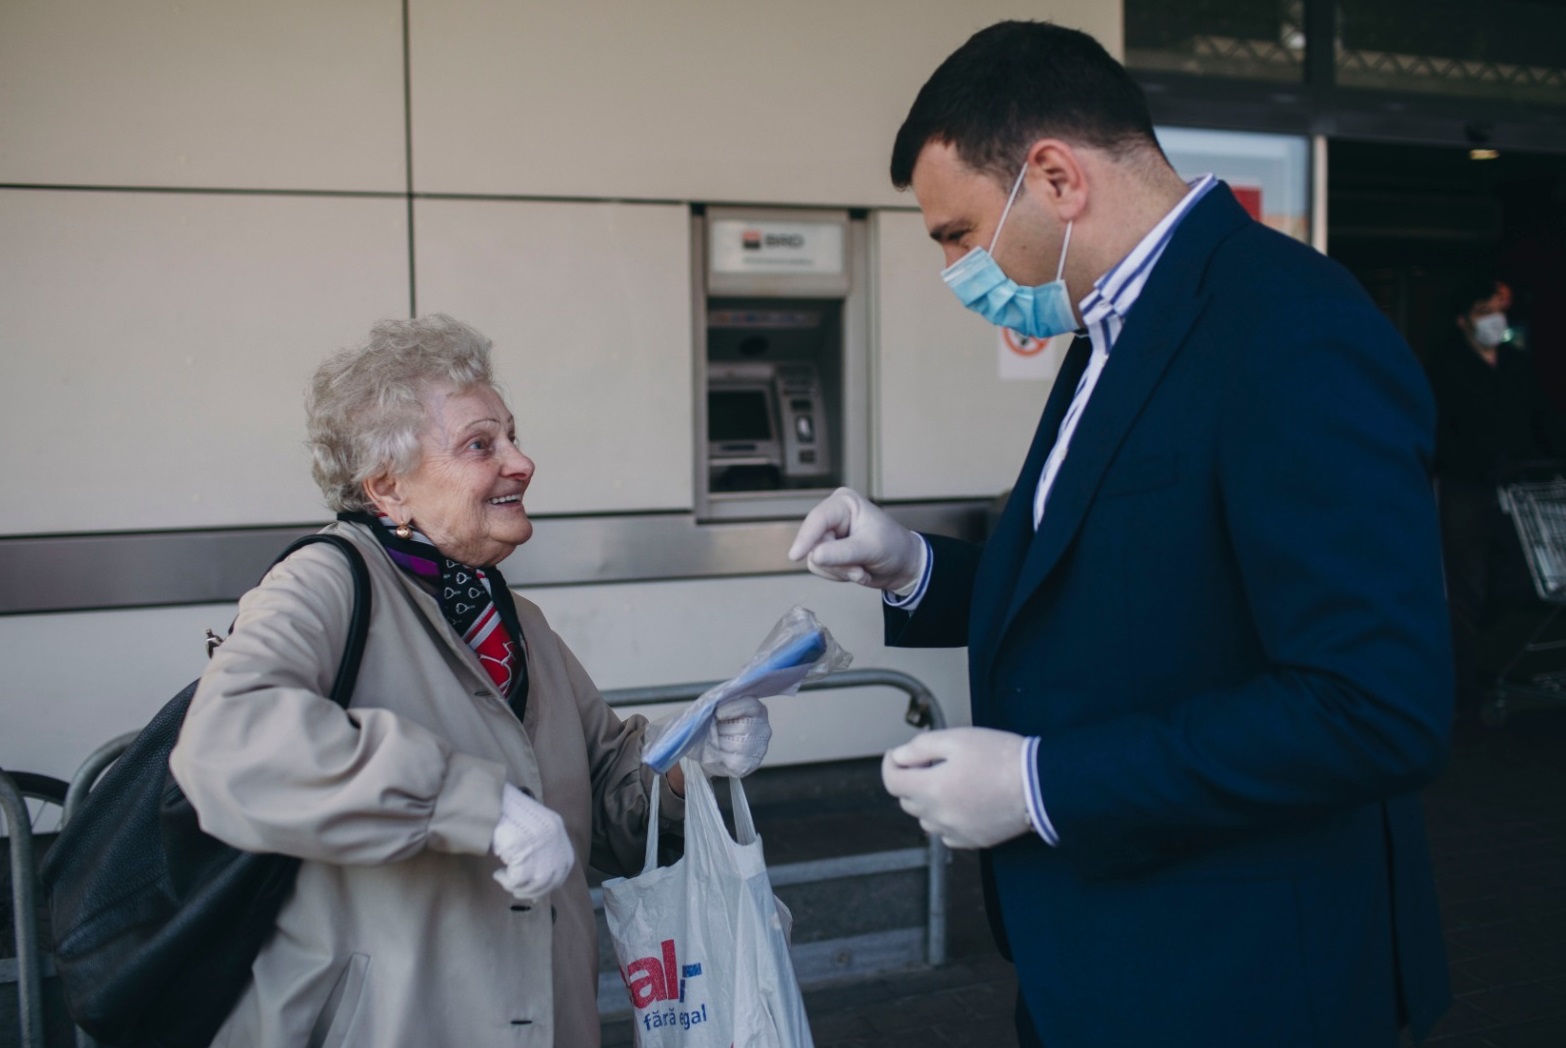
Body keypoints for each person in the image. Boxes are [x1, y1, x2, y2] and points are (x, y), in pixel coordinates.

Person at [788, 21, 1452, 1048]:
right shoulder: (1110, 330)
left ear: (1056, 178)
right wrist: (912, 564)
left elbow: (1373, 705)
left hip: (1239, 978)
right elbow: (1123, 585)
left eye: (957, 234)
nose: (954, 269)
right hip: (1105, 961)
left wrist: (1040, 786)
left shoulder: (1292, 326)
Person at [169, 314, 772, 1047]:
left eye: (512, 437)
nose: (522, 463)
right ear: (388, 488)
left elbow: (606, 806)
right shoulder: (324, 581)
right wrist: (471, 803)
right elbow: (228, 742)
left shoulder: (515, 620)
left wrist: (687, 765)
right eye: (481, 445)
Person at [1426, 277, 1566, 712]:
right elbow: (1438, 433)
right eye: (1484, 312)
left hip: (1519, 492)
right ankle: (1466, 683)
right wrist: (1476, 464)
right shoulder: (1444, 367)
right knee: (1466, 584)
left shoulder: (1515, 364)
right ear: (1463, 319)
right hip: (1467, 488)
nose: (1494, 321)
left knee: (1519, 578)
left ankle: (1495, 664)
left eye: (1497, 311)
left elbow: (1542, 418)